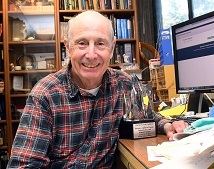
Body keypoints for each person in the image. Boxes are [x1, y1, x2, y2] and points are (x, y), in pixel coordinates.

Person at [7, 11, 188, 168]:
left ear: (112, 48)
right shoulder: (45, 95)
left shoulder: (123, 84)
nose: (92, 55)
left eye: (100, 43)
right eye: (82, 43)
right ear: (67, 47)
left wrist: (167, 125)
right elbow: (23, 165)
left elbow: (146, 113)